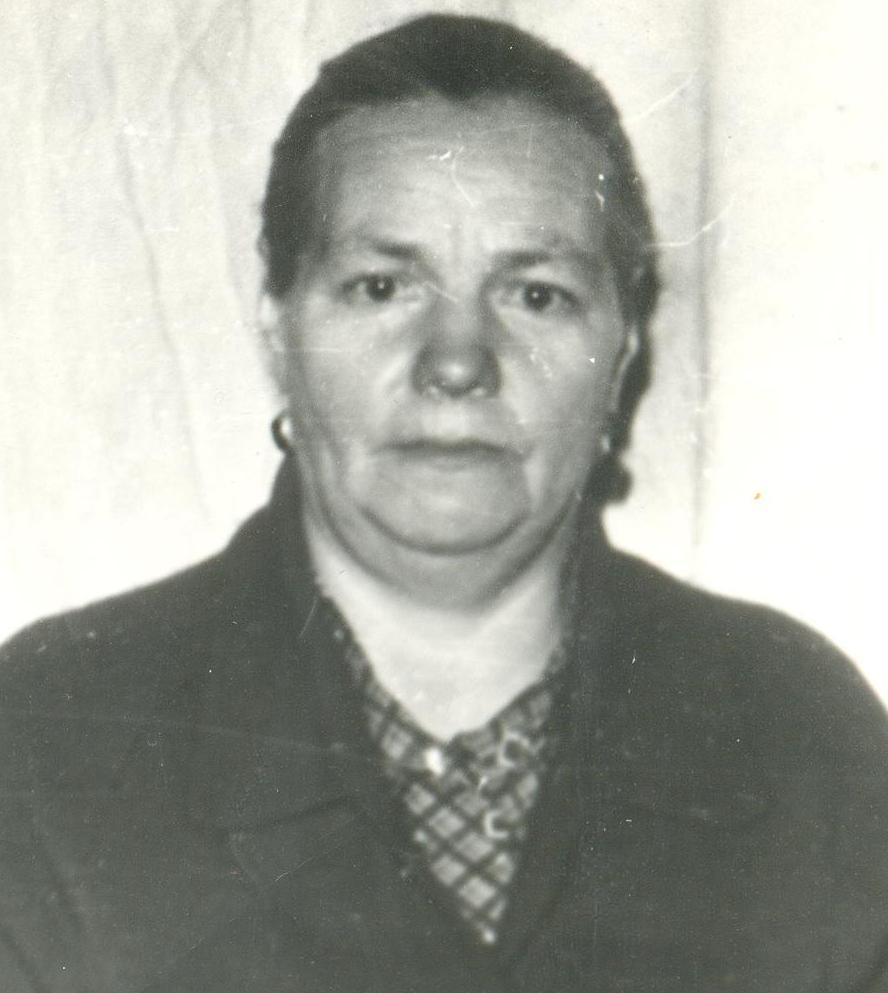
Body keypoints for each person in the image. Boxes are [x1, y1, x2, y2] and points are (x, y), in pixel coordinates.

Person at [0, 13, 885, 993]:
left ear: (620, 354)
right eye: (382, 287)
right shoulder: (49, 747)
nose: (457, 362)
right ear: (279, 333)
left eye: (537, 294)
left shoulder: (800, 738)